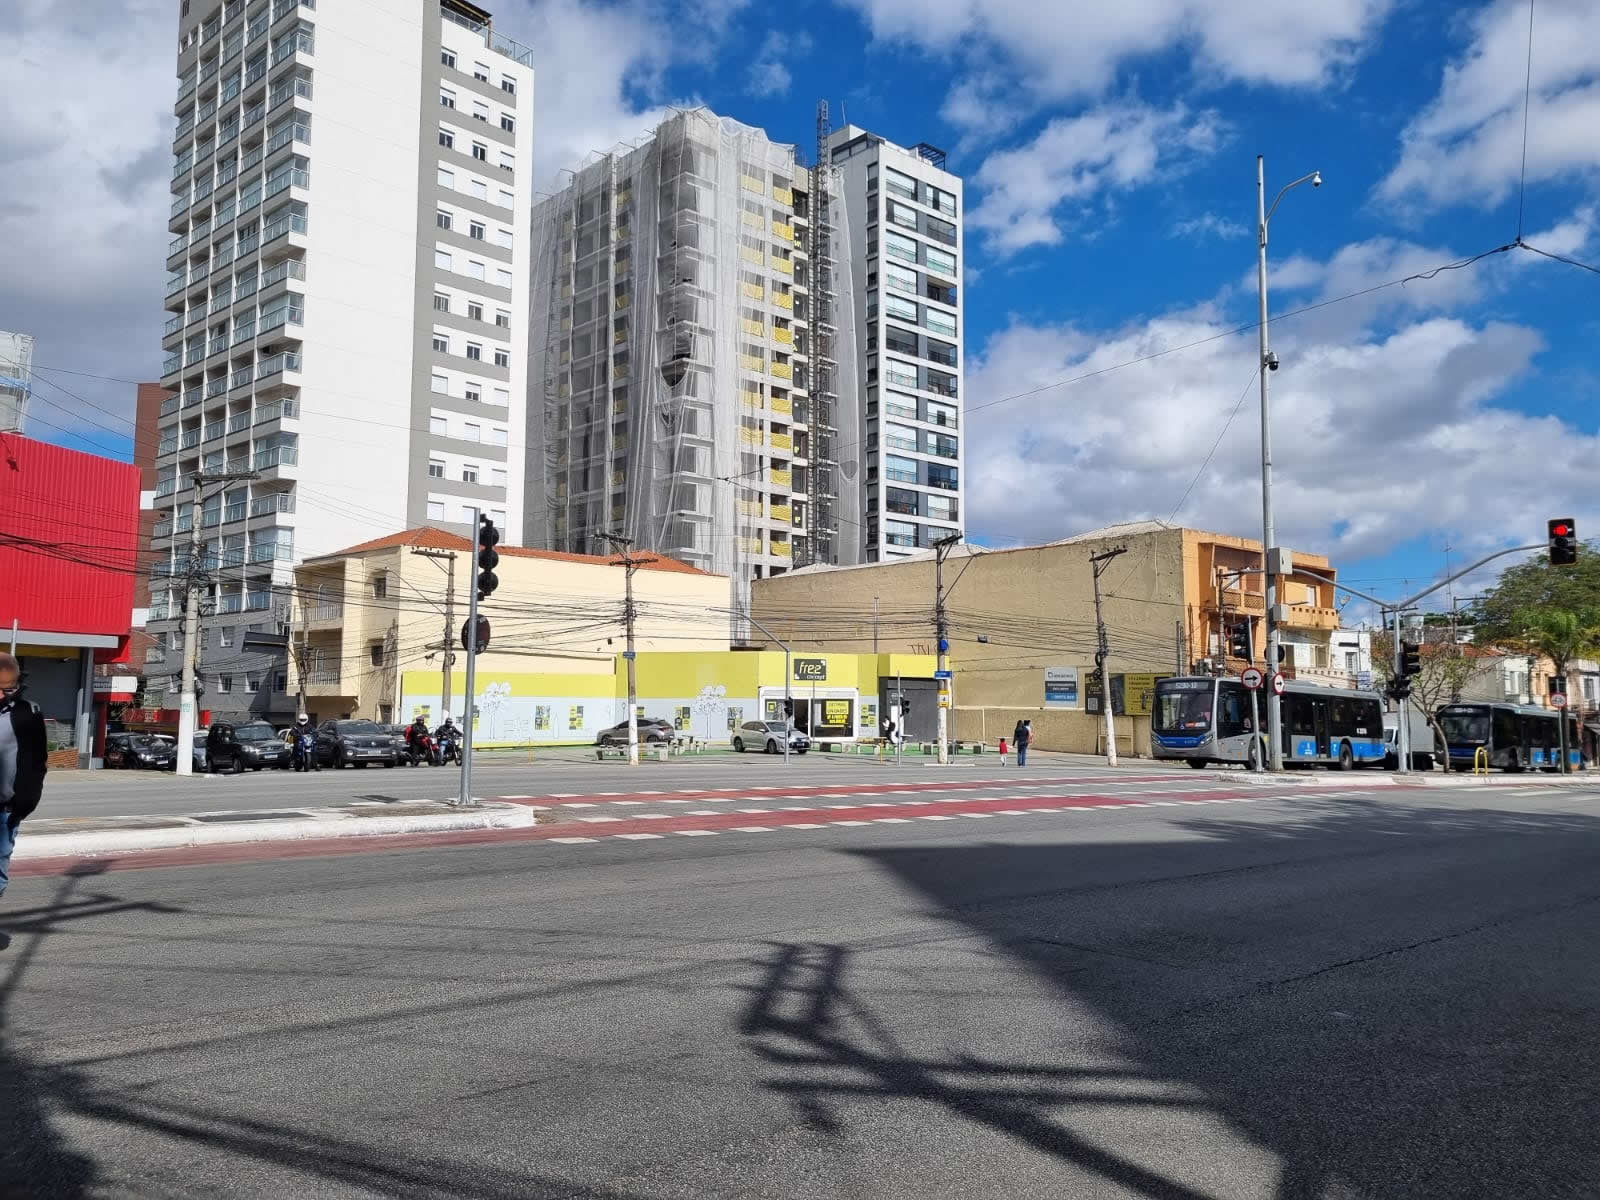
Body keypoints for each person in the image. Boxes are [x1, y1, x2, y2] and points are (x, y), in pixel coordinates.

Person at [0, 653, 49, 898]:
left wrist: (25, 804)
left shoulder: (27, 713)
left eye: (7, 690)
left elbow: (36, 763)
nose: (1, 696)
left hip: (5, 811)